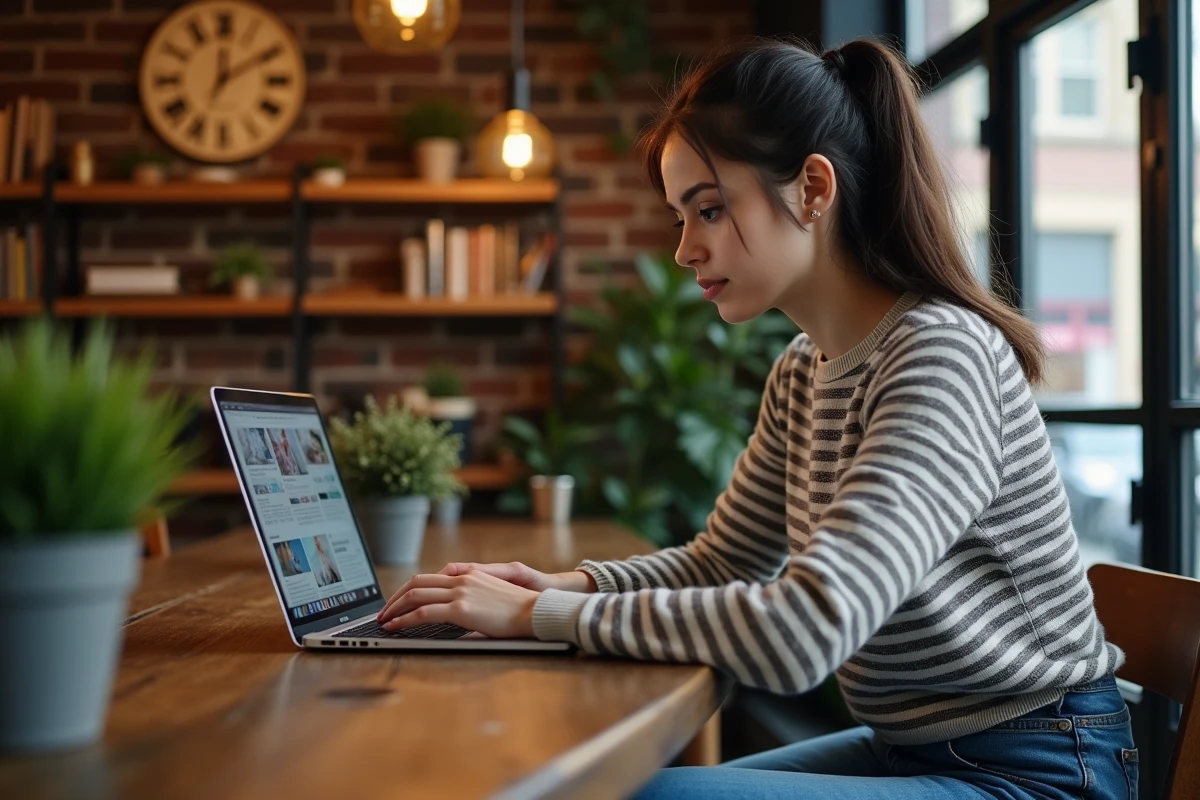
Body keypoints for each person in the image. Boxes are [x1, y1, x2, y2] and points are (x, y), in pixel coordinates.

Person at [377, 37, 1137, 799]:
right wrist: (559, 582)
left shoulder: (942, 357)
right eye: (681, 217)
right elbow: (721, 564)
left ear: (812, 188)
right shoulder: (803, 371)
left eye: (708, 209)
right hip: (918, 747)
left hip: (1040, 766)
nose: (683, 250)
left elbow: (803, 631)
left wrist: (542, 614)